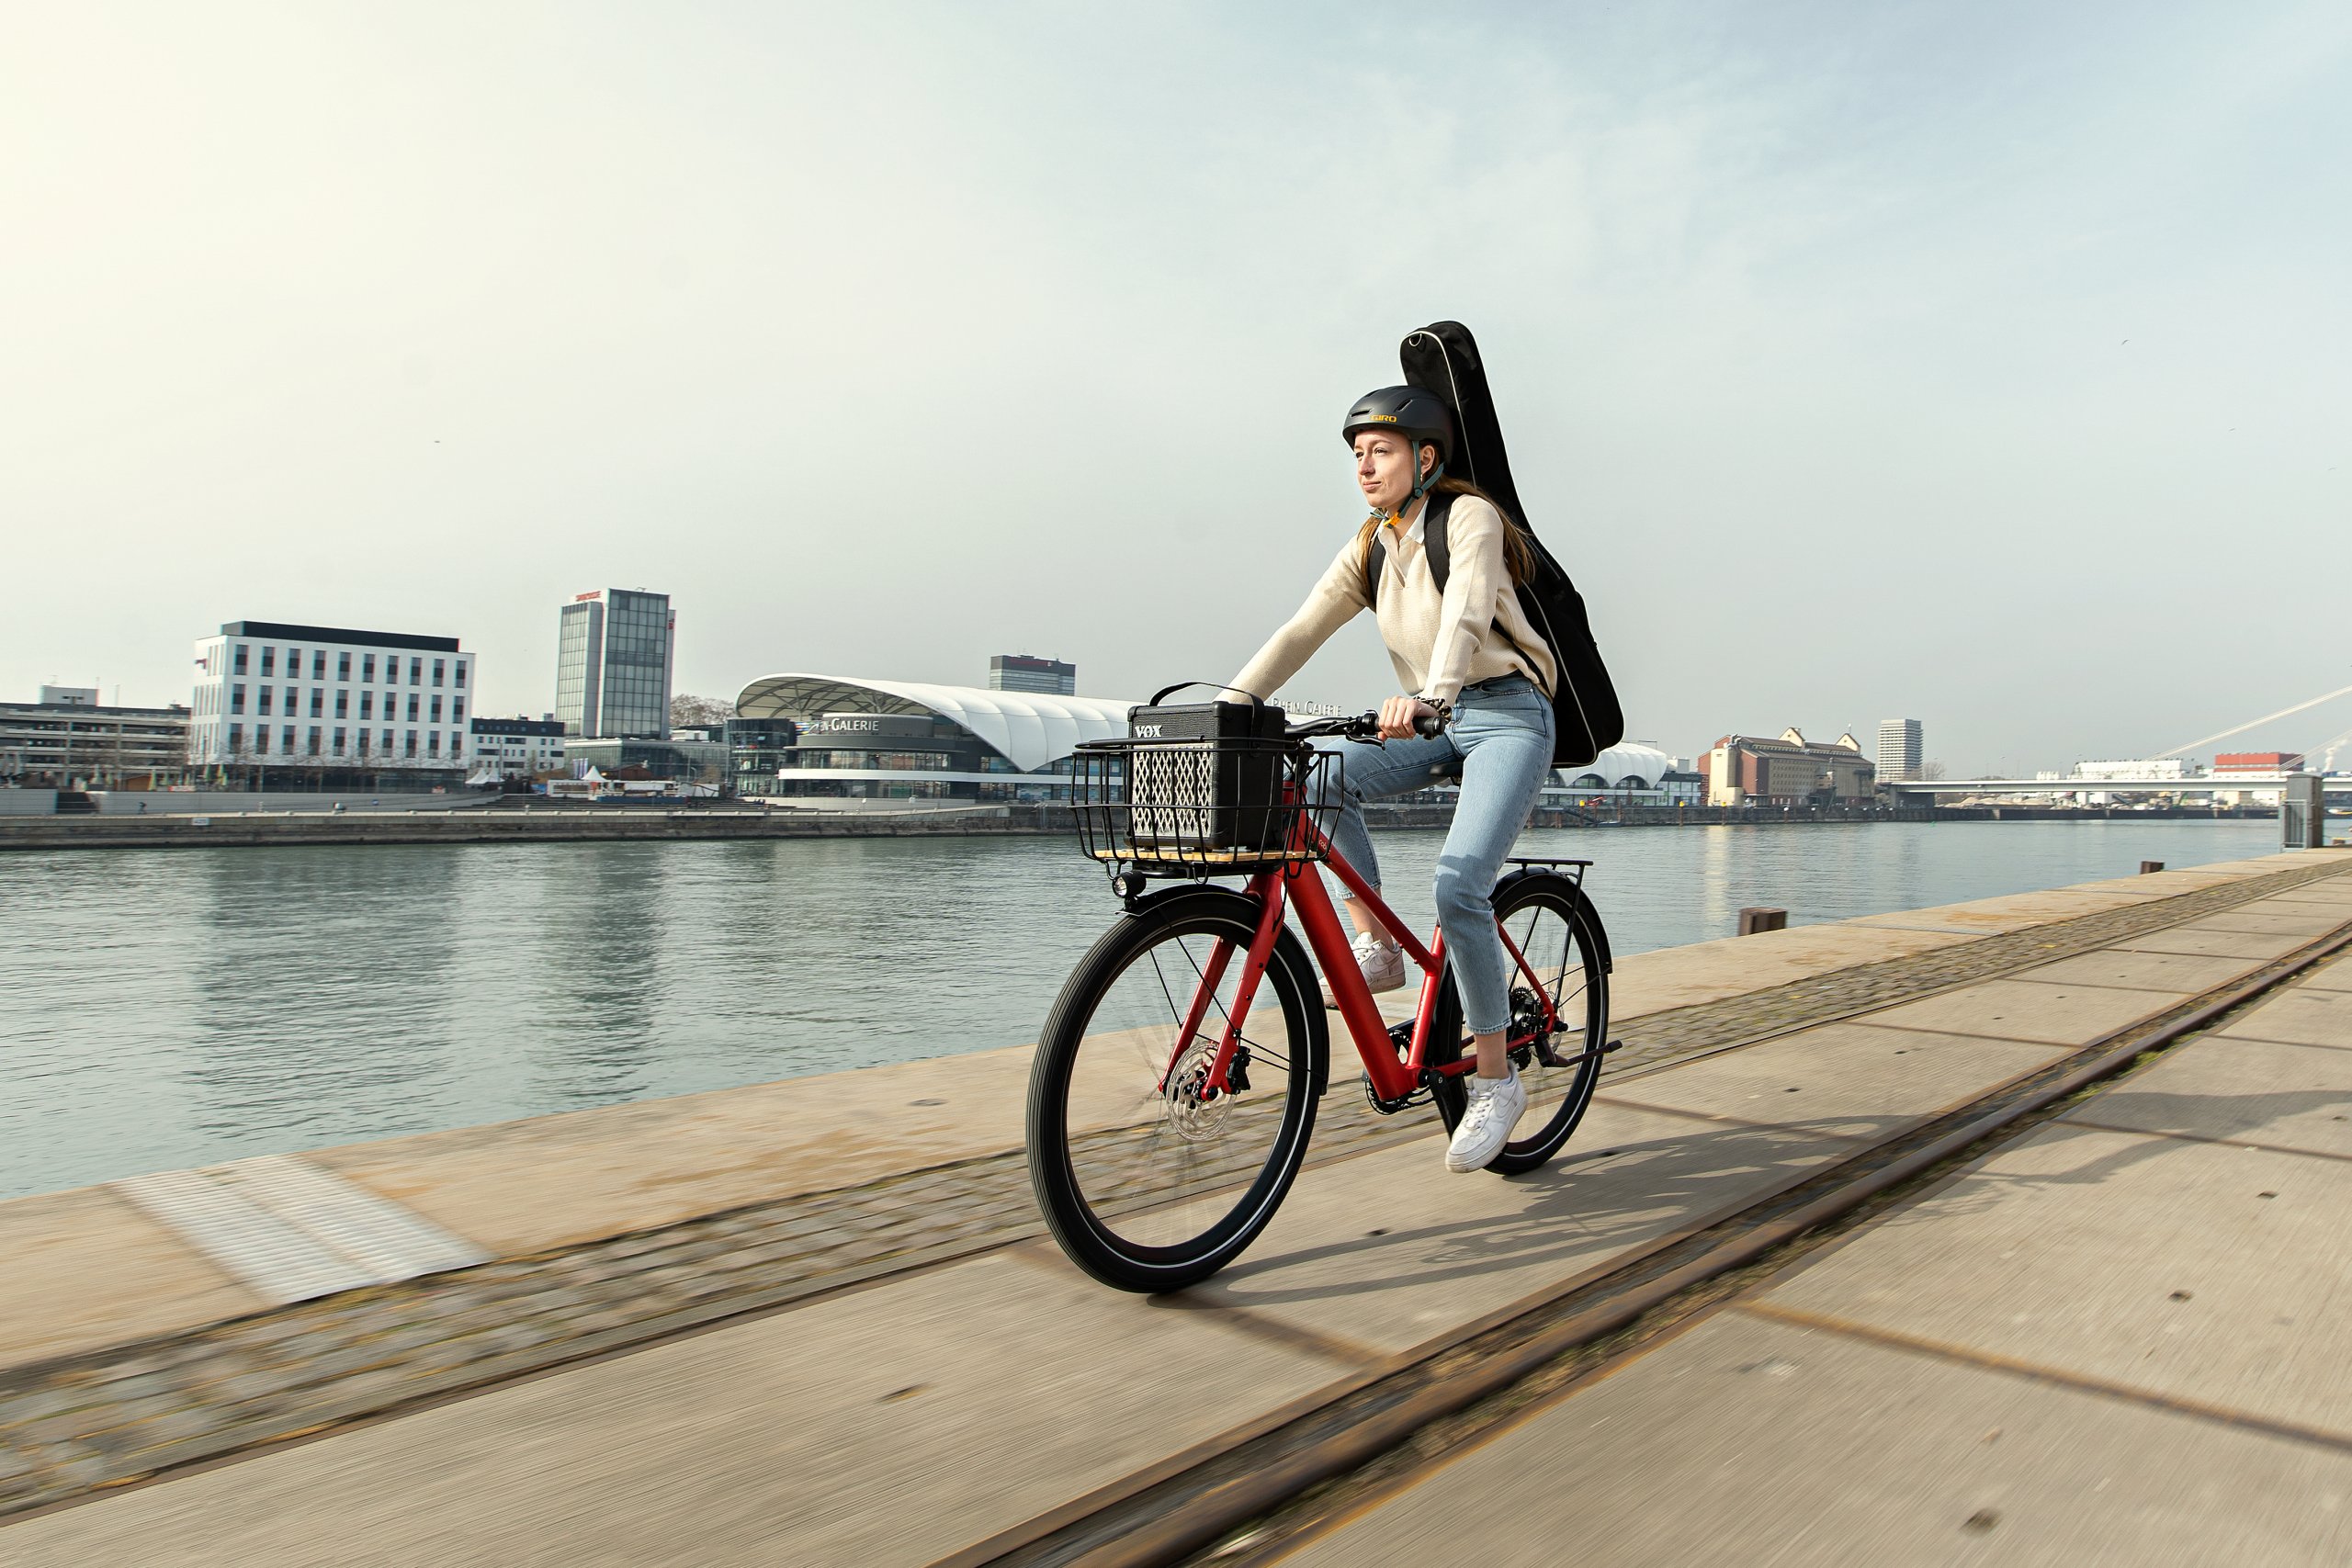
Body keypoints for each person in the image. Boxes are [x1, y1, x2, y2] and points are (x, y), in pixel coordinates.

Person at [1226, 386, 1558, 1173]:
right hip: (1432, 715)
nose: (1365, 466)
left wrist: (1434, 694)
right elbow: (1302, 627)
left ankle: (1496, 1078)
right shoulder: (1372, 542)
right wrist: (1233, 704)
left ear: (1426, 456)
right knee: (1317, 779)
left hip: (1508, 712)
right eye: (1356, 455)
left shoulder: (1467, 519)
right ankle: (1378, 945)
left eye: (1381, 450)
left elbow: (1467, 614)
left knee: (1458, 886)